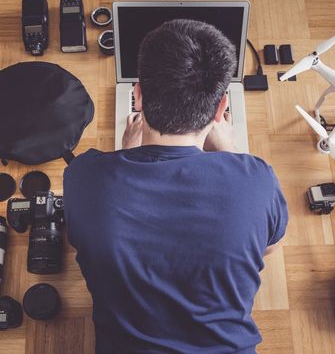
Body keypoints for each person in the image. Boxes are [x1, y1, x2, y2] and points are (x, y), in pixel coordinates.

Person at [63, 19, 288, 354]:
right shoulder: (257, 181)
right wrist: (231, 153)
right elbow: (268, 248)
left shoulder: (83, 176)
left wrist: (126, 154)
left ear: (137, 95)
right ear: (221, 109)